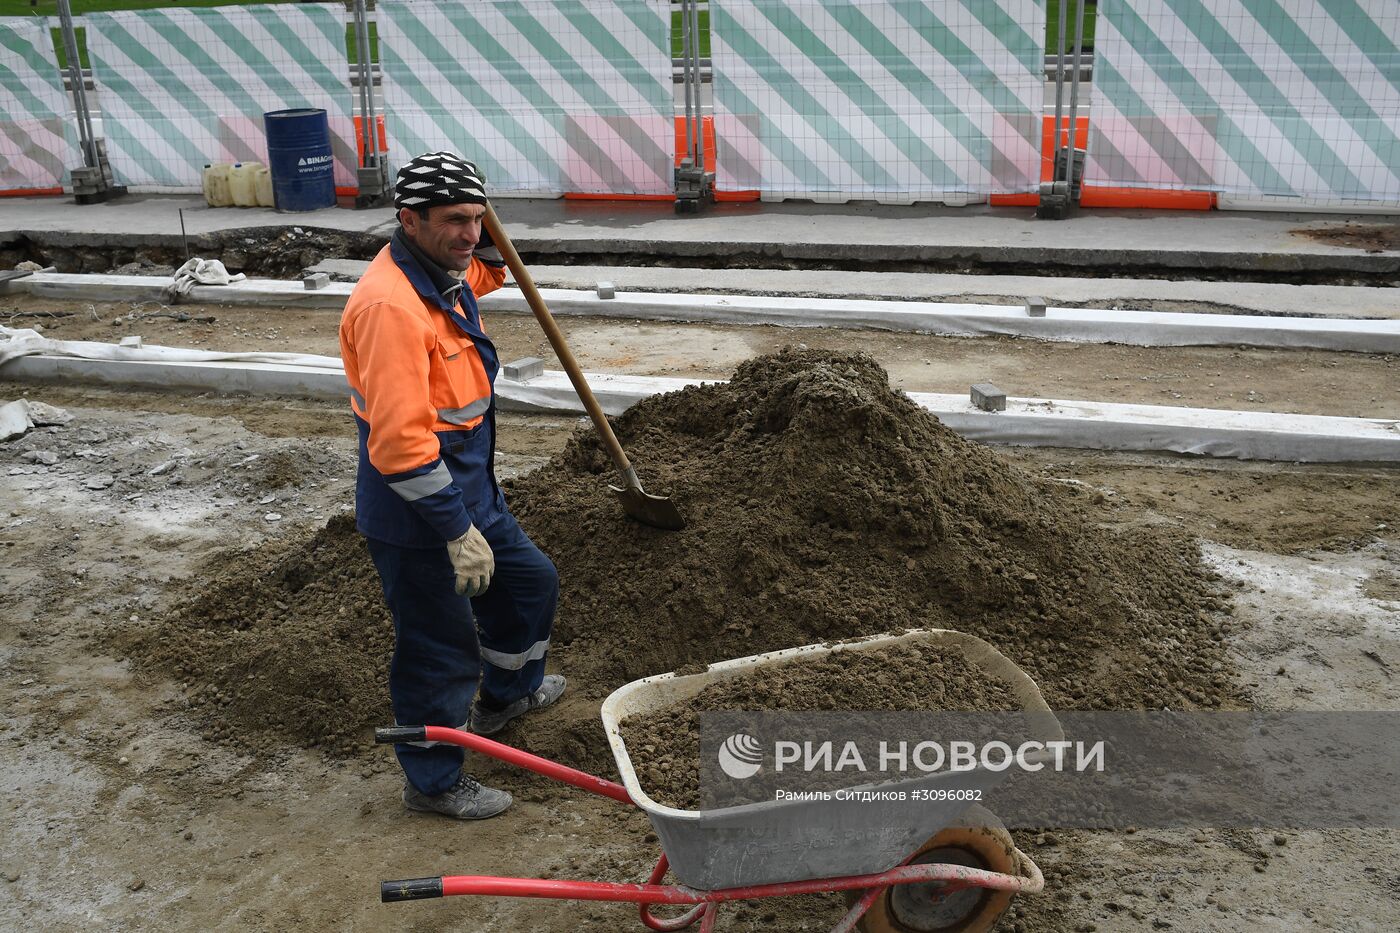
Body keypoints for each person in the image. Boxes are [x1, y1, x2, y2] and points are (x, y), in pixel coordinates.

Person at [339, 151, 565, 820]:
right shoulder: (390, 308)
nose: (468, 235)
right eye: (453, 221)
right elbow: (400, 444)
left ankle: (508, 693)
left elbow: (491, 269)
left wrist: (482, 231)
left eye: (477, 218)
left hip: (470, 485)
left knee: (530, 582)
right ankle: (432, 781)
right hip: (418, 508)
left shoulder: (443, 271)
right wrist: (455, 529)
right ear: (408, 219)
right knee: (437, 650)